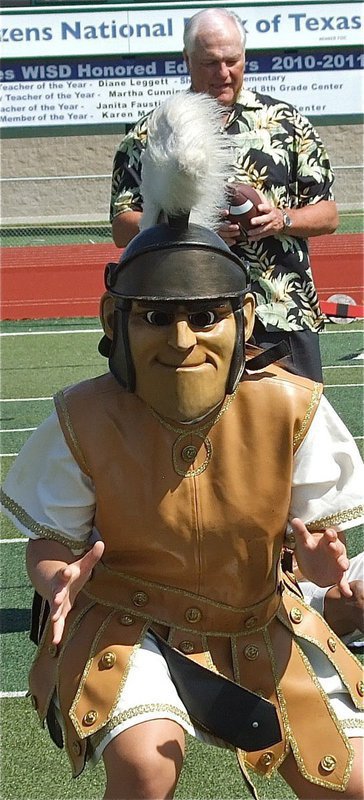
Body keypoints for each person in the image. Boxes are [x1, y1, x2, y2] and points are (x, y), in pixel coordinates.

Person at [1, 93, 363, 800]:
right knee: (145, 763)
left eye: (204, 316)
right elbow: (50, 543)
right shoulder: (84, 416)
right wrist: (56, 579)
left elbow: (324, 538)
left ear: (243, 318)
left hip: (259, 615)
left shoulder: (292, 408)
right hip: (127, 622)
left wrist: (326, 569)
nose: (182, 340)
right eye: (158, 319)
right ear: (119, 322)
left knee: (347, 781)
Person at [110, 7, 339, 382]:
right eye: (210, 63)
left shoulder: (286, 123)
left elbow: (328, 213)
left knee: (299, 429)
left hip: (279, 308)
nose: (223, 73)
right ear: (187, 60)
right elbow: (122, 226)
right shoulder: (152, 133)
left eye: (232, 61)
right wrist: (195, 225)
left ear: (245, 57)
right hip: (192, 315)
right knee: (201, 433)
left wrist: (282, 219)